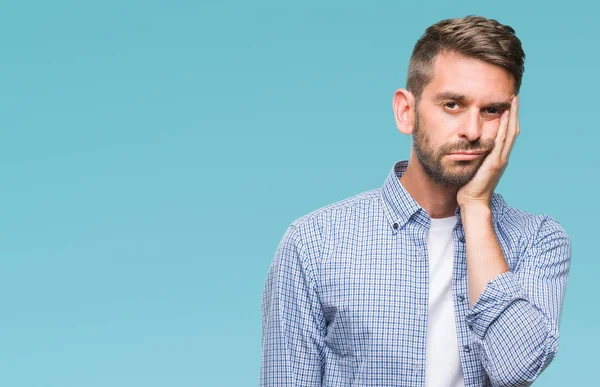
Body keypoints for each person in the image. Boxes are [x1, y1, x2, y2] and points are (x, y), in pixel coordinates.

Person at [260, 15, 571, 387]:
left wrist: (474, 208)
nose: (472, 131)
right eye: (453, 104)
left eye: (491, 111)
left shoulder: (539, 240)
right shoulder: (313, 244)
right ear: (406, 111)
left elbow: (516, 369)